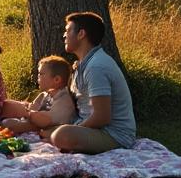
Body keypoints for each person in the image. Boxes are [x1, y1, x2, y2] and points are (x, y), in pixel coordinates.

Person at [49, 12, 137, 153]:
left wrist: (75, 128)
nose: (64, 35)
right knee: (49, 127)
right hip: (91, 127)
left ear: (81, 34)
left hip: (114, 135)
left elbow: (102, 117)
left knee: (61, 135)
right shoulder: (83, 64)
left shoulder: (96, 67)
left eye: (68, 30)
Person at [0, 56, 77, 135]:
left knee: (9, 125)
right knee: (7, 116)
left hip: (50, 128)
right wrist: (20, 107)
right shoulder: (45, 94)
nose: (38, 77)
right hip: (38, 123)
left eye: (41, 74)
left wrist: (26, 113)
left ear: (56, 80)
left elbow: (46, 121)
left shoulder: (63, 101)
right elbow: (33, 107)